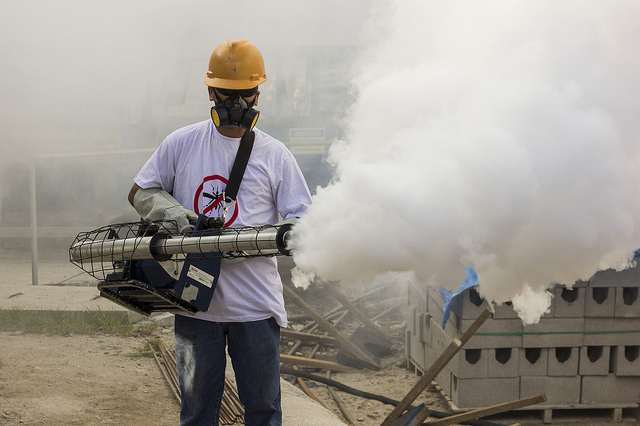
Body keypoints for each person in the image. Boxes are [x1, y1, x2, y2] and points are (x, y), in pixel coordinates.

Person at [127, 39, 312, 425]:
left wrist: (285, 235)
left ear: (258, 94)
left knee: (263, 412)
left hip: (256, 308)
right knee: (197, 414)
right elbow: (141, 190)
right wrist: (180, 220)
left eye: (245, 94)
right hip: (196, 306)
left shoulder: (275, 155)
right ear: (211, 91)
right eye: (229, 95)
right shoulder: (181, 143)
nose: (237, 104)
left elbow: (303, 221)